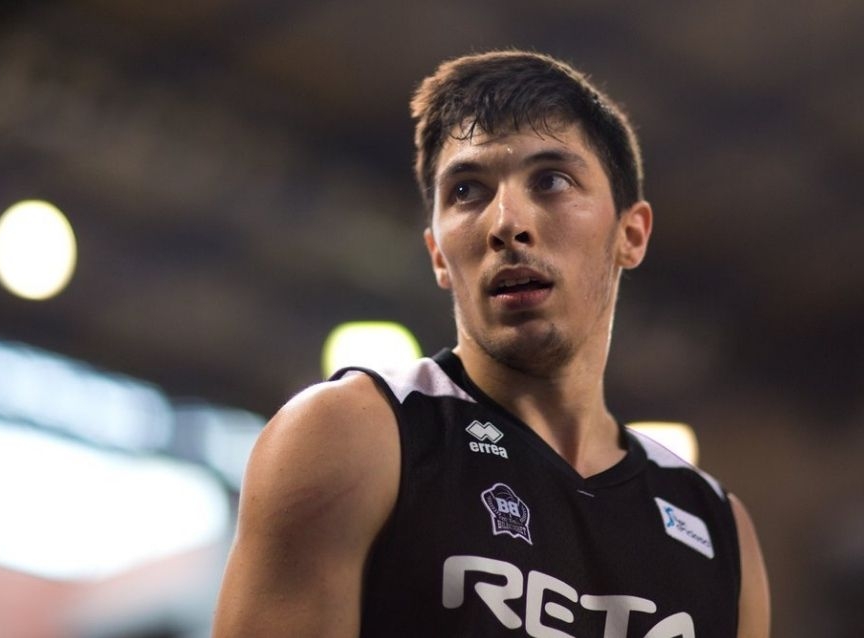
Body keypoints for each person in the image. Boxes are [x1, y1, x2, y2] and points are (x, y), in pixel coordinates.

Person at [212, 50, 770, 637]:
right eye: (467, 190)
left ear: (630, 234)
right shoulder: (349, 435)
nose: (506, 222)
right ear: (437, 255)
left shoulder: (720, 530)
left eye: (551, 181)